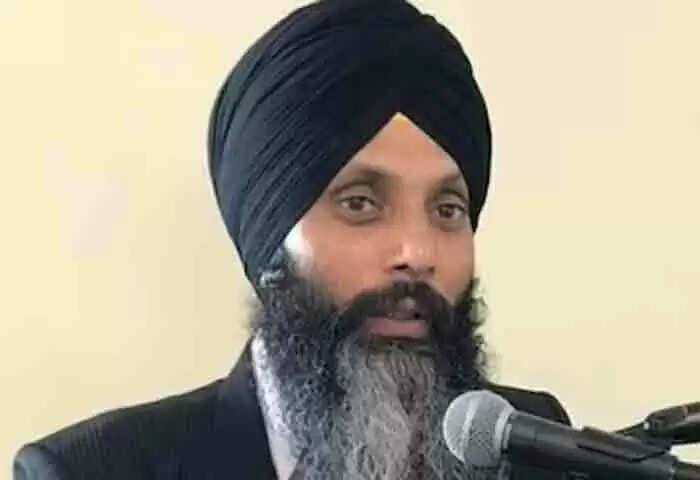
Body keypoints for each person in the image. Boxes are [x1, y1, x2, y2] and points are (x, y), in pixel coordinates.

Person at [13, 0, 571, 478]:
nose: (417, 253)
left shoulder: (537, 448)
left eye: (447, 210)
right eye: (360, 204)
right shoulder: (95, 470)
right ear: (269, 246)